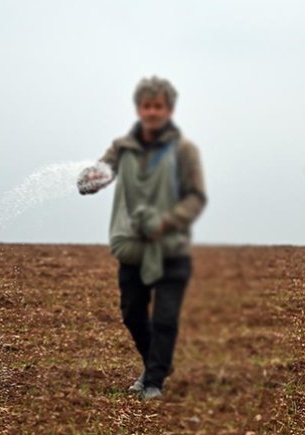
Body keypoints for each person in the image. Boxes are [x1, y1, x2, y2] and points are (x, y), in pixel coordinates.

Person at [77, 75, 207, 401]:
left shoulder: (184, 151)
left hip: (171, 249)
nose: (152, 112)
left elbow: (196, 197)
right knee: (132, 313)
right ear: (138, 108)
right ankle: (155, 364)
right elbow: (99, 173)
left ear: (169, 109)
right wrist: (90, 179)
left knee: (164, 318)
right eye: (146, 106)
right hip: (133, 248)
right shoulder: (122, 148)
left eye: (158, 106)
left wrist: (166, 222)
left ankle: (153, 383)